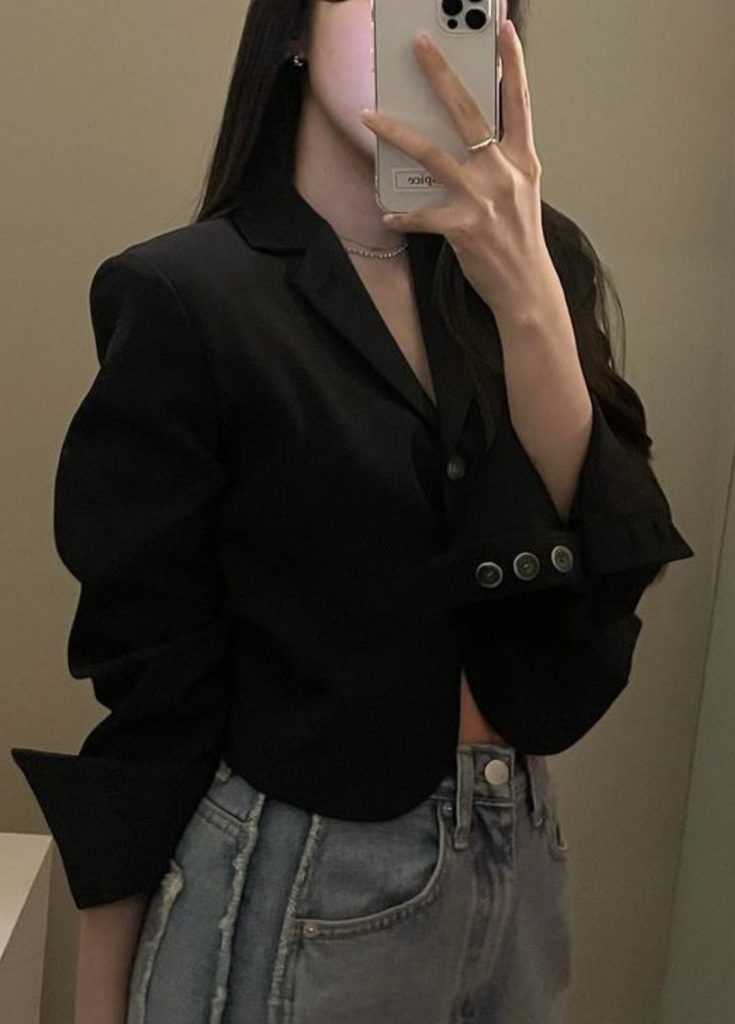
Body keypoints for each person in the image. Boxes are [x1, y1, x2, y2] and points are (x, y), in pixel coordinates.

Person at [12, 1, 694, 1022]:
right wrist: (103, 997)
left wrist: (528, 296)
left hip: (519, 873)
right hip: (295, 875)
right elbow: (150, 679)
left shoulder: (538, 270)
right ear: (291, 29)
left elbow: (604, 561)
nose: (416, 25)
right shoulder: (186, 294)